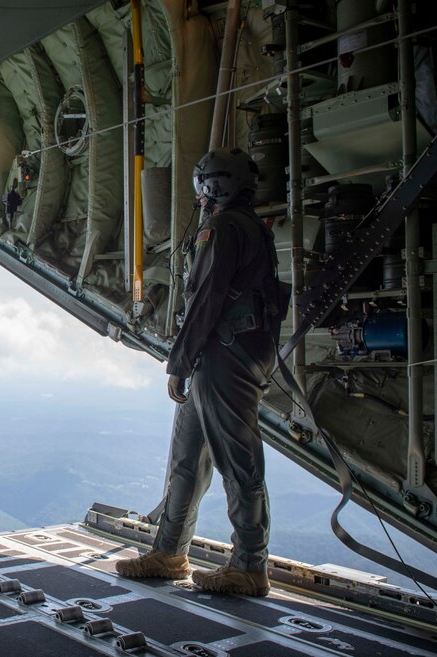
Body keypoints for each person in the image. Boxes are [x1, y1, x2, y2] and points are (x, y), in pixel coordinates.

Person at [115, 148, 283, 596]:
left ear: (211, 186)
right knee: (187, 458)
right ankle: (169, 552)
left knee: (236, 461)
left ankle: (250, 566)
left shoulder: (224, 227)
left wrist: (179, 363)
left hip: (224, 356)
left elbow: (206, 298)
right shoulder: (250, 227)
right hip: (227, 353)